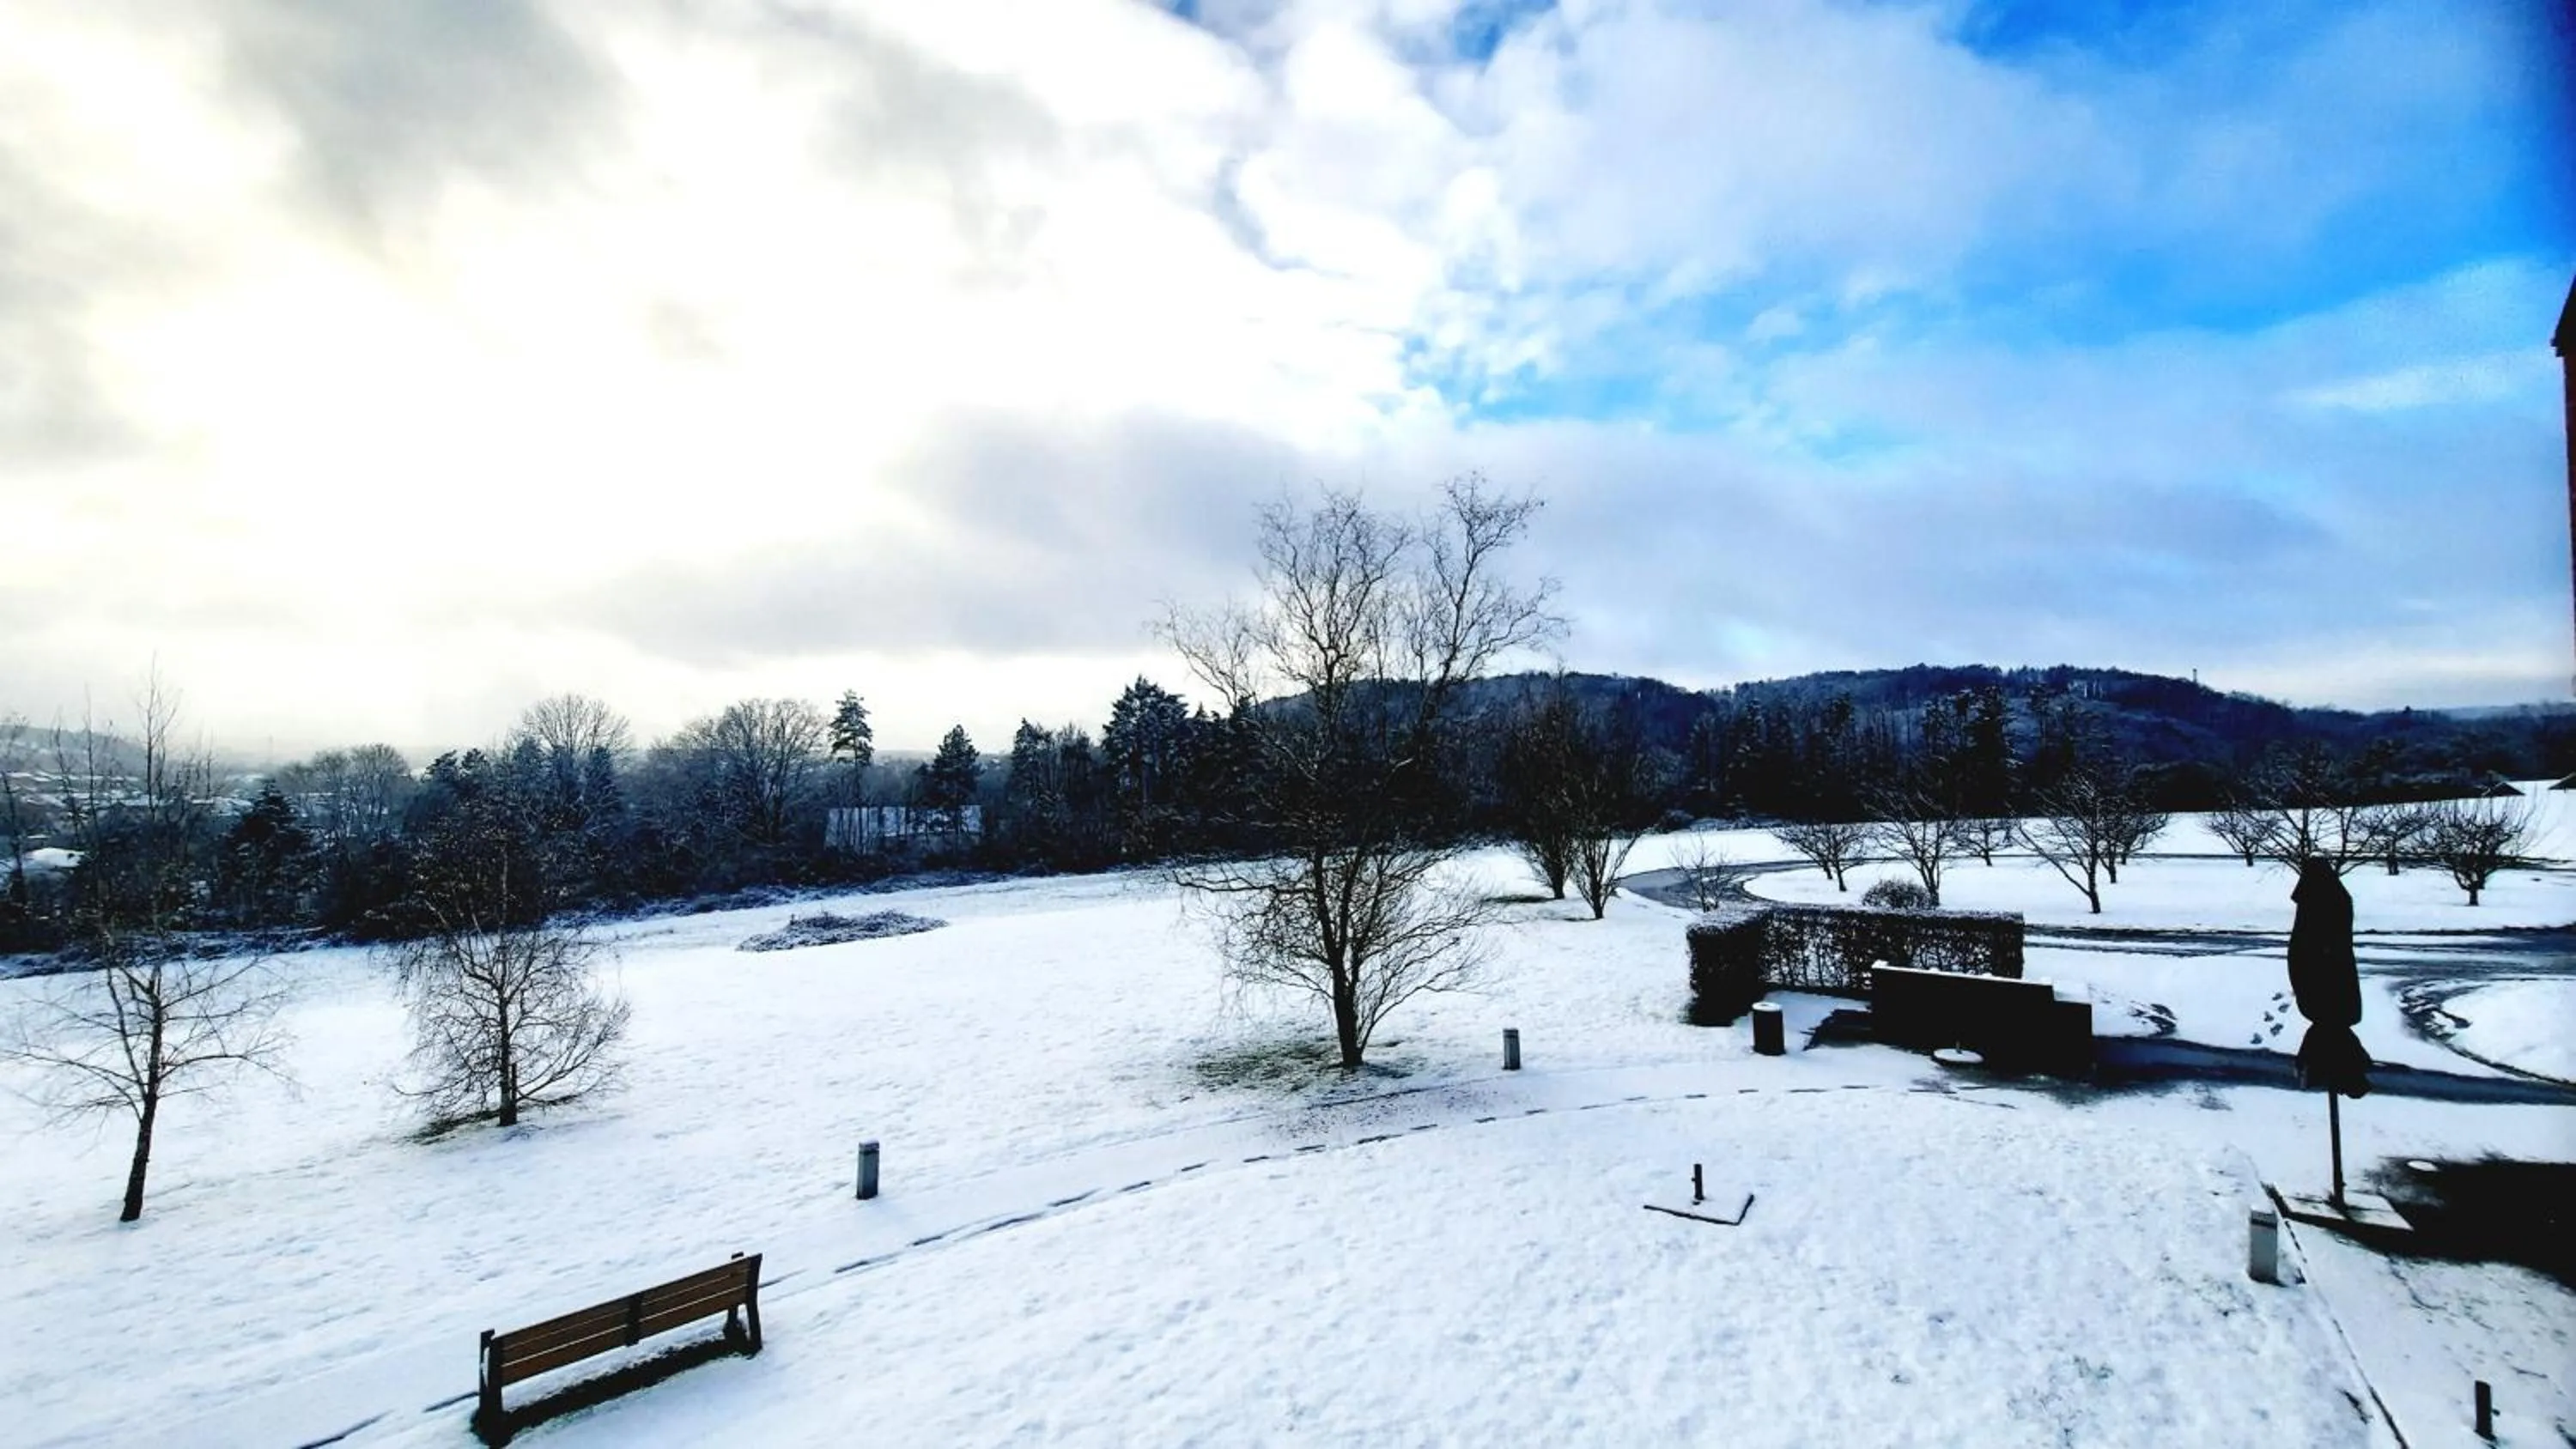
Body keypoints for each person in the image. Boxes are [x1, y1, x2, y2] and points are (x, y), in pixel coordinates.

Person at [2287, 856, 2369, 1097]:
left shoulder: (2319, 900)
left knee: (2329, 1021)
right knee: (2331, 1023)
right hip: (2328, 972)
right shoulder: (2334, 898)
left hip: (2323, 972)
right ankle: (2340, 1073)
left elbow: (2308, 939)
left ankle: (2339, 1072)